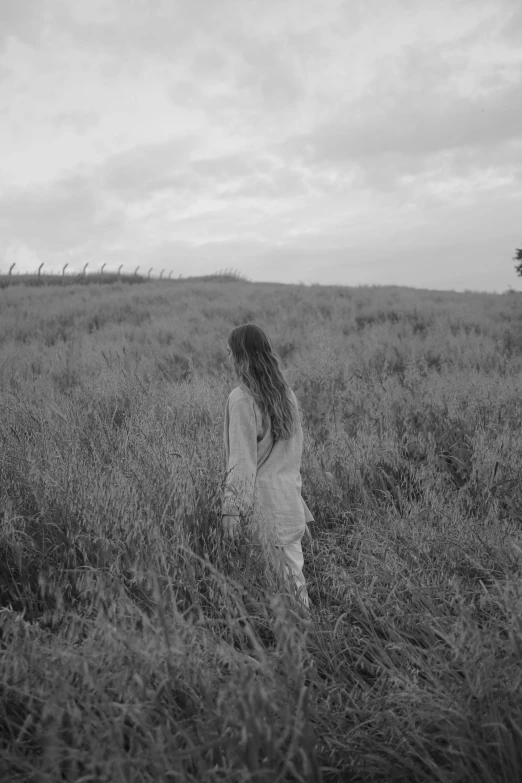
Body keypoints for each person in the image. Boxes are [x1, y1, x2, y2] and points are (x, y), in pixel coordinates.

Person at [222, 323, 314, 608]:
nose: (228, 358)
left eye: (230, 352)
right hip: (288, 505)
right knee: (294, 586)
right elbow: (292, 458)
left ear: (240, 356)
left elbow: (242, 460)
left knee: (269, 594)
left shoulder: (241, 399)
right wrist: (301, 508)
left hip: (260, 510)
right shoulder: (286, 394)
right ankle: (308, 644)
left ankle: (291, 645)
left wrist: (231, 510)